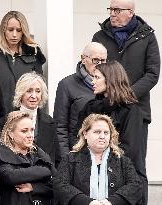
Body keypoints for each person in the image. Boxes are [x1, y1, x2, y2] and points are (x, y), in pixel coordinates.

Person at [92, 2, 160, 203]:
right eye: (110, 10)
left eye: (117, 10)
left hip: (136, 110)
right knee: (106, 163)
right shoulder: (100, 36)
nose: (112, 14)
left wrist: (126, 94)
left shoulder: (147, 36)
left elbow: (152, 74)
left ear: (131, 13)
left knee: (135, 164)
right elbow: (94, 68)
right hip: (106, 110)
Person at [76, 60, 146, 204]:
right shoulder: (90, 107)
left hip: (123, 178)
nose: (92, 81)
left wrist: (101, 158)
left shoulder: (131, 110)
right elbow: (78, 139)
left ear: (110, 79)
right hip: (89, 174)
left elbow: (130, 149)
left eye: (97, 77)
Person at [53, 113, 142, 205]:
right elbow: (60, 185)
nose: (102, 136)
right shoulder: (70, 159)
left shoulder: (122, 161)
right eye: (97, 132)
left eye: (106, 133)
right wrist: (88, 202)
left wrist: (111, 202)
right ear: (85, 134)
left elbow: (135, 185)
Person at [0, 11, 46, 114]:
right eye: (10, 30)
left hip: (26, 117)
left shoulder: (33, 54)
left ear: (24, 31)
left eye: (18, 30)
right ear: (3, 30)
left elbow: (40, 90)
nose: (14, 34)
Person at [53, 42, 107, 156]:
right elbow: (60, 126)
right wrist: (66, 158)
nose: (100, 65)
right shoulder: (67, 84)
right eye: (96, 60)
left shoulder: (110, 86)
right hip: (78, 152)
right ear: (83, 59)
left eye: (103, 61)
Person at [0, 111, 55, 205]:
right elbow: (10, 177)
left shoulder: (38, 152)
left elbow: (57, 184)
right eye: (24, 131)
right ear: (11, 134)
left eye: (32, 130)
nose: (30, 135)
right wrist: (44, 170)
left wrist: (34, 187)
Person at [13, 72, 59, 164]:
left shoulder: (50, 122)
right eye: (29, 91)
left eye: (38, 91)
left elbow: (56, 157)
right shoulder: (8, 120)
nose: (34, 96)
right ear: (21, 93)